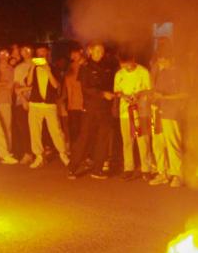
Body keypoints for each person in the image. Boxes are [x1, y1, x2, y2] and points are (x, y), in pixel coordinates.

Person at [68, 42, 116, 179]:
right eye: (97, 51)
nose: (100, 54)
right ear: (90, 51)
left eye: (102, 51)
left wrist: (112, 95)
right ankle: (72, 168)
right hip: (91, 108)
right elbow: (86, 88)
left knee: (103, 138)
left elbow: (110, 85)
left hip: (105, 108)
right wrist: (102, 94)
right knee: (84, 137)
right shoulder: (85, 67)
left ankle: (97, 169)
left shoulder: (107, 66)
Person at [25, 46, 70, 169]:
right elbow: (28, 83)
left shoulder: (54, 68)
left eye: (43, 52)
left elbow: (55, 85)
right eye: (39, 53)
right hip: (35, 104)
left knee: (56, 130)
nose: (41, 55)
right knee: (35, 131)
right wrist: (32, 67)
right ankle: (39, 156)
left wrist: (48, 70)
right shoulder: (33, 68)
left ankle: (63, 153)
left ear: (47, 53)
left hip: (50, 104)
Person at [150, 47, 187, 187]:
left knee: (173, 144)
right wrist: (153, 98)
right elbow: (158, 92)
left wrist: (165, 97)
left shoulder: (180, 73)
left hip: (172, 113)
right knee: (158, 144)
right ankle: (162, 173)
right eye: (160, 61)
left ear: (172, 59)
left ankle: (177, 175)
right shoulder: (162, 73)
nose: (162, 64)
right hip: (158, 112)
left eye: (164, 61)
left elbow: (185, 94)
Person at [113, 51, 153, 180]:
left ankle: (146, 169)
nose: (126, 67)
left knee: (143, 141)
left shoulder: (143, 72)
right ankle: (128, 168)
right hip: (125, 111)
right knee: (127, 141)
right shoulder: (119, 74)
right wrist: (123, 96)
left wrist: (139, 94)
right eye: (123, 65)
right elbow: (117, 91)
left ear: (133, 59)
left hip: (141, 111)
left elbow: (150, 90)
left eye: (128, 64)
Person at [64, 46, 86, 146]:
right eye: (72, 53)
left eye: (76, 53)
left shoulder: (86, 65)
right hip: (74, 103)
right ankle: (75, 148)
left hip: (84, 102)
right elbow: (68, 86)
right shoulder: (70, 67)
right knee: (74, 128)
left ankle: (84, 150)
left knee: (83, 128)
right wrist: (69, 102)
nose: (74, 55)